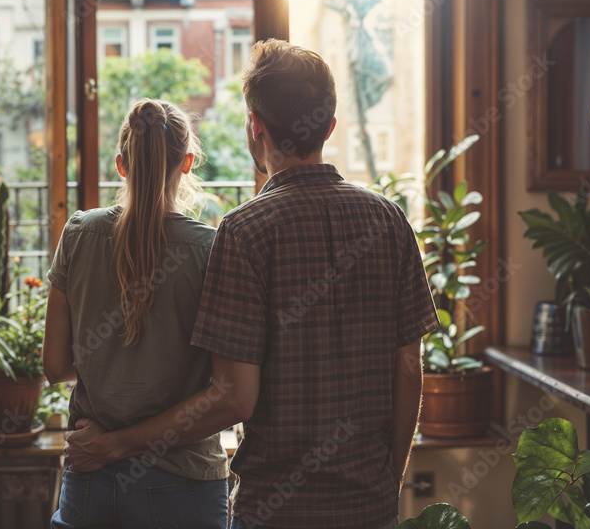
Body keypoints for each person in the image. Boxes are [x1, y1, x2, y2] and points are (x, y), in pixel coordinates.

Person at [65, 40, 438, 529]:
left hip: (274, 510)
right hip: (369, 505)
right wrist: (388, 481)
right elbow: (409, 368)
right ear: (329, 126)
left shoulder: (243, 232)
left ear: (254, 126)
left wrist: (116, 443)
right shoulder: (390, 220)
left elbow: (233, 398)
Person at [43, 99, 229, 528]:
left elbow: (55, 366)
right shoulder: (212, 250)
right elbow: (228, 390)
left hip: (92, 474)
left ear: (121, 164)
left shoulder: (78, 234)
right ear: (187, 162)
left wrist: (111, 373)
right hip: (185, 480)